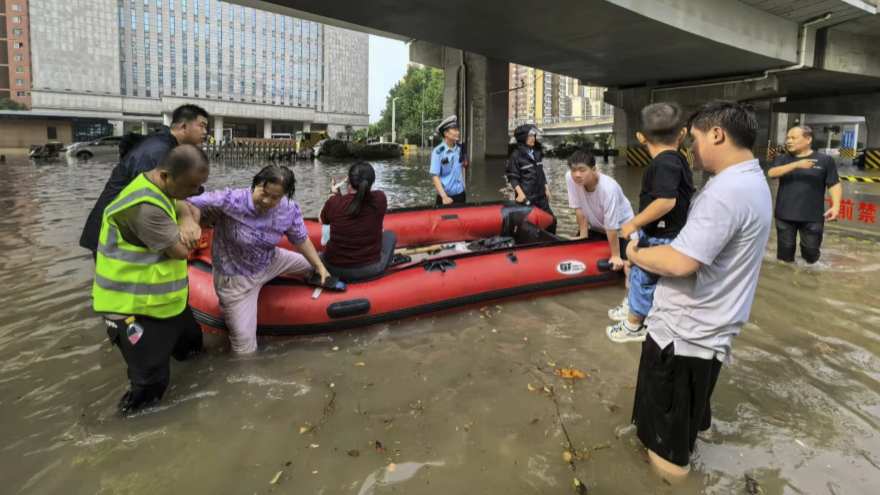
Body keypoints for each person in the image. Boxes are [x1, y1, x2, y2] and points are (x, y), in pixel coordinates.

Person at [624, 101, 771, 480]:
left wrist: (636, 254)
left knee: (666, 456)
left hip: (683, 337)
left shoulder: (726, 193)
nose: (690, 148)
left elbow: (681, 262)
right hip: (708, 334)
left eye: (695, 138)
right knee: (689, 429)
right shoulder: (752, 180)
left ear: (718, 134)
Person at [92, 145, 210, 415]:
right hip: (132, 308)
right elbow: (181, 251)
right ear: (166, 176)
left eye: (199, 187)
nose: (194, 193)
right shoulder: (144, 209)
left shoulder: (158, 184)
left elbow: (187, 205)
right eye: (191, 186)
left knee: (192, 347)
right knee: (150, 385)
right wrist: (192, 224)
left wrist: (185, 216)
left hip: (167, 302)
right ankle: (126, 428)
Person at [187, 165, 329, 354]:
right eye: (264, 192)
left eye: (275, 197)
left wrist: (319, 266)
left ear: (284, 196)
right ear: (255, 184)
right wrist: (187, 222)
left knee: (317, 266)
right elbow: (188, 201)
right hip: (236, 279)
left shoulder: (288, 209)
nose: (267, 200)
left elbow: (300, 239)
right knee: (245, 350)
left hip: (271, 260)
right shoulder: (231, 200)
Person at [607, 102, 694, 343]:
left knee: (644, 277)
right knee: (637, 272)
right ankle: (635, 310)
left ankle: (634, 326)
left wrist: (633, 224)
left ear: (640, 137)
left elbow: (666, 201)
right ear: (683, 133)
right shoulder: (677, 159)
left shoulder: (665, 163)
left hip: (662, 236)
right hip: (663, 233)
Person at [80, 104, 210, 257]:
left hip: (124, 229)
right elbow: (154, 193)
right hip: (112, 237)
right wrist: (186, 217)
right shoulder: (157, 151)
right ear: (183, 126)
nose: (205, 132)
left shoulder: (164, 145)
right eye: (202, 126)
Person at [768, 125, 841, 264]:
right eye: (787, 138)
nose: (788, 141)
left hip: (812, 216)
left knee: (811, 254)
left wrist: (836, 206)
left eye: (793, 138)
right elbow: (771, 173)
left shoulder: (825, 160)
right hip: (785, 215)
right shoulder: (783, 158)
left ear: (808, 139)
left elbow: (834, 184)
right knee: (784, 256)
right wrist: (796, 165)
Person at [320, 162, 396, 282]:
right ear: (371, 182)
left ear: (349, 182)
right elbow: (357, 203)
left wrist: (332, 195)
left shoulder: (335, 203)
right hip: (370, 269)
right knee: (390, 236)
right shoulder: (380, 199)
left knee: (320, 254)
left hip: (334, 268)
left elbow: (323, 220)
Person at [565, 150, 634, 273]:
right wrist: (583, 236)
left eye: (582, 170)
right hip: (598, 227)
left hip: (622, 230)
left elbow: (611, 225)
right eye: (573, 170)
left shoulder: (608, 188)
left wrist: (615, 256)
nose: (577, 174)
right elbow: (578, 207)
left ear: (594, 169)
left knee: (631, 263)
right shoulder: (570, 178)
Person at [507, 124, 556, 233]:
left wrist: (546, 188)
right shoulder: (516, 155)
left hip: (541, 196)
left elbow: (541, 172)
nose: (533, 138)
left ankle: (552, 245)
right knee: (528, 226)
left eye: (534, 135)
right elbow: (512, 177)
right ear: (523, 137)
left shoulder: (537, 153)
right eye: (530, 136)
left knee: (552, 221)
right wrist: (520, 194)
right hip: (527, 197)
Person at [430, 115, 467, 206]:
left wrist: (465, 161)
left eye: (457, 130)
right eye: (454, 130)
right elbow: (435, 176)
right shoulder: (438, 152)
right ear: (446, 133)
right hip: (444, 197)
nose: (457, 132)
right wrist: (444, 197)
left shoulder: (460, 148)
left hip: (460, 194)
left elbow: (463, 166)